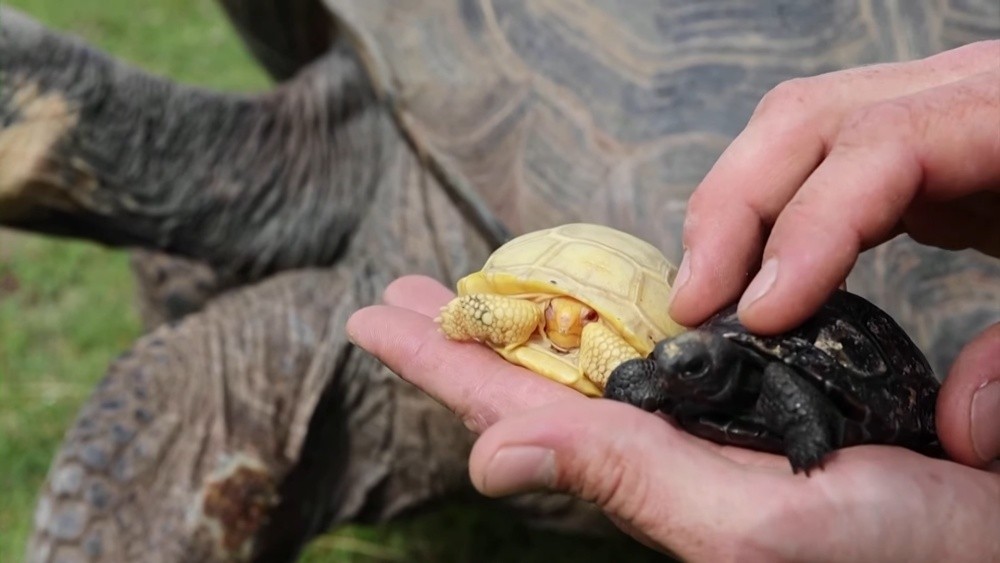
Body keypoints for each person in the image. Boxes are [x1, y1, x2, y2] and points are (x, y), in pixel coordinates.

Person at [347, 40, 1000, 561]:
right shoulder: (675, 365)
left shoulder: (759, 375)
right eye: (681, 363)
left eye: (684, 367)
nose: (668, 370)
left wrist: (806, 430)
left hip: (878, 389)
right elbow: (642, 376)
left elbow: (779, 383)